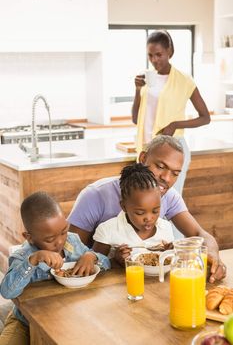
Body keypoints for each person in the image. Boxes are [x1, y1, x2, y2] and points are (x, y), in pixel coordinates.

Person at [68, 135, 226, 283]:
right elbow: (70, 251)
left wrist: (213, 256)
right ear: (143, 158)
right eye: (160, 166)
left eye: (175, 173)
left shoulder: (170, 197)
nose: (167, 178)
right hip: (100, 284)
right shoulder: (95, 195)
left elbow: (199, 234)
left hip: (148, 282)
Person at [0, 191, 110, 345]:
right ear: (29, 237)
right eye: (50, 239)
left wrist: (91, 257)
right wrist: (33, 260)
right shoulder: (23, 257)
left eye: (63, 231)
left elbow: (106, 263)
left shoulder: (73, 242)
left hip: (69, 317)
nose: (60, 242)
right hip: (25, 321)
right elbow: (7, 291)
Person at [131, 29, 210, 196]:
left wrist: (175, 124)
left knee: (170, 203)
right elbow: (136, 119)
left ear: (170, 52)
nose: (154, 60)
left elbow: (205, 117)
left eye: (159, 54)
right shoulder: (145, 79)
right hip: (147, 150)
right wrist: (138, 90)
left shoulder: (184, 80)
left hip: (173, 150)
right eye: (150, 55)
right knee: (146, 202)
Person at [93, 163, 174, 266]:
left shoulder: (165, 228)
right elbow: (95, 266)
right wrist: (115, 261)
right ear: (124, 206)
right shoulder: (107, 230)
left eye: (155, 211)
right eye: (140, 213)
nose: (149, 218)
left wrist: (170, 253)